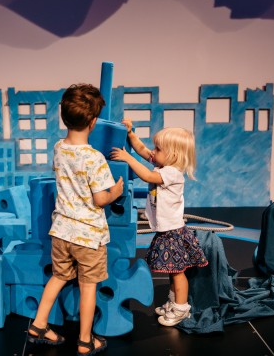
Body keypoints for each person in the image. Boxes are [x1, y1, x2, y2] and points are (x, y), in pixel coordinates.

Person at [27, 84, 124, 355]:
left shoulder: (59, 148)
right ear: (93, 122)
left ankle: (38, 324)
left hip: (61, 231)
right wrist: (115, 191)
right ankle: (84, 340)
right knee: (88, 286)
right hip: (88, 236)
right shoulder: (94, 158)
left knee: (58, 277)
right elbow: (100, 199)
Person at [110, 120, 208, 326]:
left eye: (158, 149)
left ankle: (181, 309)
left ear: (172, 155)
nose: (153, 152)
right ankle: (174, 303)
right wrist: (131, 135)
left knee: (178, 273)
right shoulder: (164, 165)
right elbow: (144, 151)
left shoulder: (172, 173)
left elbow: (146, 175)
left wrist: (127, 157)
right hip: (166, 231)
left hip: (173, 233)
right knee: (173, 271)